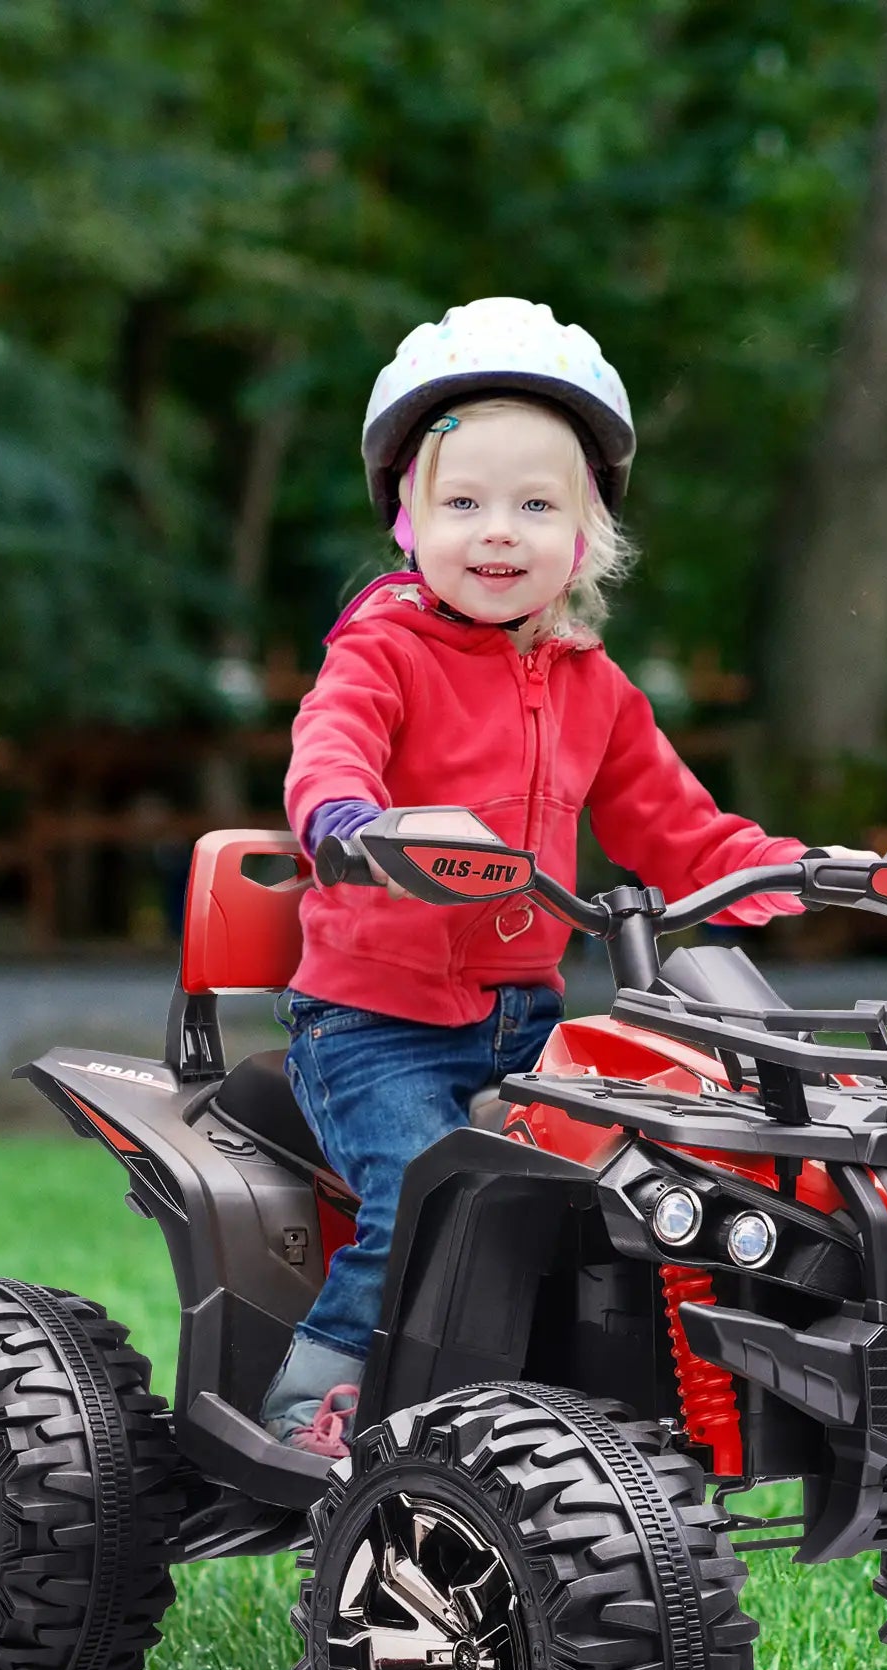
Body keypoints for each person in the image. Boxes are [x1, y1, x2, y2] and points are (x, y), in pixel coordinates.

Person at [261, 297, 808, 1455]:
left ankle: (600, 1404)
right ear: (409, 521)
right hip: (373, 1022)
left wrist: (781, 872)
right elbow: (332, 746)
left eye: (533, 503)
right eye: (462, 501)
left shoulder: (591, 684)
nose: (496, 530)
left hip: (529, 1017)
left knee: (643, 1182)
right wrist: (344, 817)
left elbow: (676, 826)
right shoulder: (382, 648)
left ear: (586, 532)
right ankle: (316, 1393)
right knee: (423, 1190)